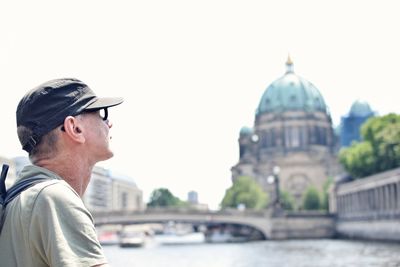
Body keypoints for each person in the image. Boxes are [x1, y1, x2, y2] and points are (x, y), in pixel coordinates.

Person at [0, 78, 123, 266]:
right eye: (101, 114)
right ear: (74, 128)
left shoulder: (19, 199)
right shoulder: (54, 198)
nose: (109, 123)